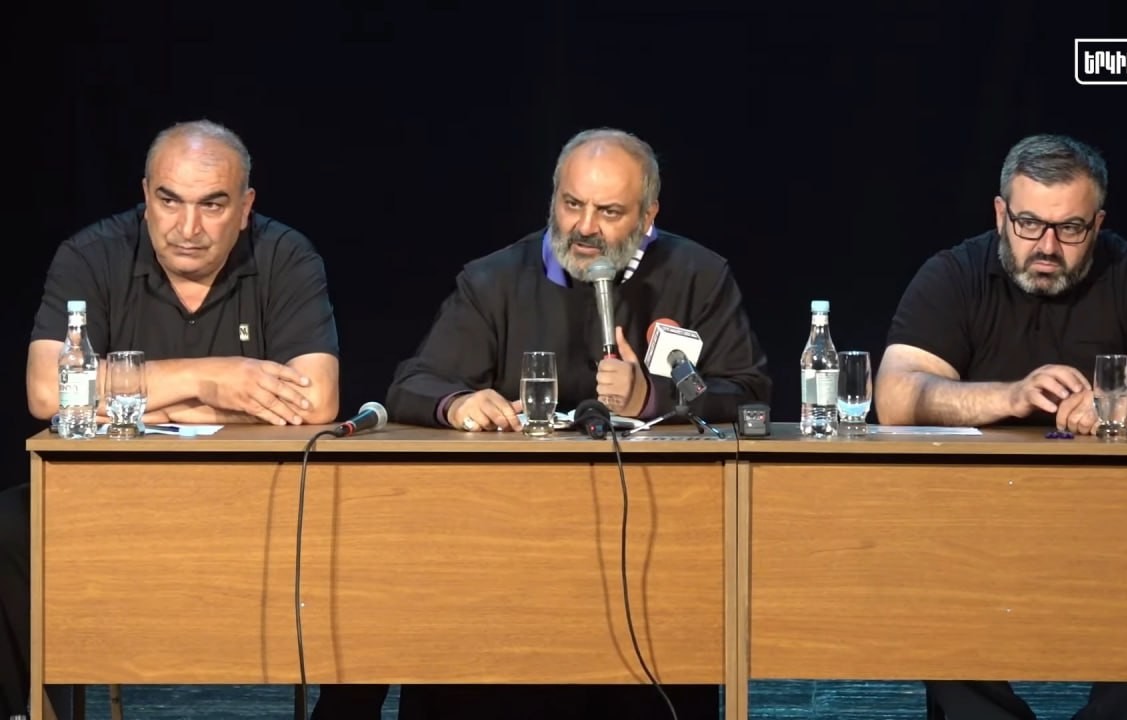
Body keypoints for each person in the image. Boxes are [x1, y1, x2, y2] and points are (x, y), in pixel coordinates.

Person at [310, 128, 771, 719]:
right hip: (507, 548)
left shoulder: (698, 274)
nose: (585, 227)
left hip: (653, 551)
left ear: (648, 215)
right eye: (572, 204)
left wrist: (652, 397)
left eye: (609, 212)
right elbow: (412, 383)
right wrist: (457, 403)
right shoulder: (494, 279)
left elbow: (750, 393)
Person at [874, 133, 1127, 720]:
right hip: (973, 524)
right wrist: (1009, 396)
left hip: (1116, 526)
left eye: (1071, 229)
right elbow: (894, 395)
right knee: (919, 577)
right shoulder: (955, 273)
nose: (1047, 246)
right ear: (1000, 214)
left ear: (1098, 223)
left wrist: (1124, 406)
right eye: (1029, 224)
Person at [0, 119, 340, 719]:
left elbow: (315, 402)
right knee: (8, 528)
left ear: (245, 208)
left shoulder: (286, 256)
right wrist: (211, 378)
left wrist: (129, 399)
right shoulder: (91, 254)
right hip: (107, 499)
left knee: (369, 528)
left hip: (255, 502)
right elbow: (47, 390)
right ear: (145, 196)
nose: (188, 228)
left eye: (212, 205)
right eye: (169, 201)